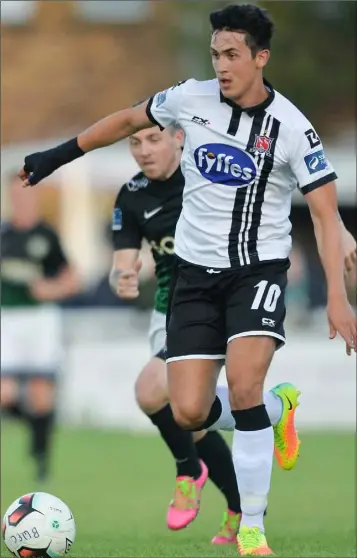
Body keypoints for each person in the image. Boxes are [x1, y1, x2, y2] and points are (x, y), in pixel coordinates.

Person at [18, 4, 356, 555]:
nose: (220, 65)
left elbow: (323, 214)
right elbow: (127, 120)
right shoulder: (189, 99)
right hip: (195, 278)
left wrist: (339, 301)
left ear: (260, 58)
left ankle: (252, 529)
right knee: (189, 411)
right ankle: (278, 409)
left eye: (231, 55)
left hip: (257, 272)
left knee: (243, 386)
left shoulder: (293, 128)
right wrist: (56, 157)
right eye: (215, 54)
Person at [109, 123, 304, 541]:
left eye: (154, 139)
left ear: (179, 138)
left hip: (215, 303)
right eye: (135, 142)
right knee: (192, 418)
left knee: (150, 390)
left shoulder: (209, 177)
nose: (144, 150)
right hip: (167, 315)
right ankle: (245, 484)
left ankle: (188, 471)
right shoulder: (131, 194)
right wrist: (122, 276)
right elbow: (121, 261)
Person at [1, 173, 80, 482]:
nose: (20, 200)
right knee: (5, 395)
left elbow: (72, 279)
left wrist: (52, 289)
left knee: (41, 395)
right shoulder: (4, 235)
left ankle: (41, 459)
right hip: (7, 319)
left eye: (25, 194)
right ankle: (34, 430)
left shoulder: (47, 235)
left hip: (40, 318)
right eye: (14, 195)